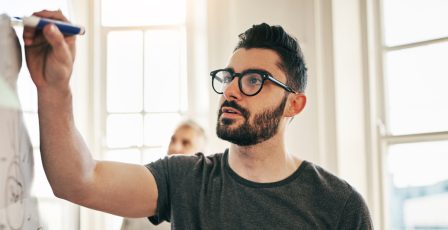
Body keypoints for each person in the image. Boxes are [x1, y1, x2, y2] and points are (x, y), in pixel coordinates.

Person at [24, 9, 373, 229]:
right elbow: (77, 180)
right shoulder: (186, 179)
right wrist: (54, 89)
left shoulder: (339, 206)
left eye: (254, 80)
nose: (232, 91)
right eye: (229, 77)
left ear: (294, 105)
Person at [121, 119, 206, 230]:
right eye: (173, 140)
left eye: (186, 143)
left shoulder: (206, 203)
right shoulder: (140, 192)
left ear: (200, 154)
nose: (175, 147)